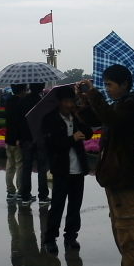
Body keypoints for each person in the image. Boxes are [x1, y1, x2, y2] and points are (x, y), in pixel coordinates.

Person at [78, 65, 134, 266]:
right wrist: (84, 99)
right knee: (120, 233)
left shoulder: (132, 105)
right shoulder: (119, 104)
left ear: (124, 84)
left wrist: (94, 94)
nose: (106, 89)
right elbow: (92, 119)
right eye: (105, 84)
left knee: (129, 238)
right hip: (114, 178)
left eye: (109, 85)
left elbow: (111, 120)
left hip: (125, 179)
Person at [42, 86, 93, 254]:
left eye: (72, 101)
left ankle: (71, 236)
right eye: (67, 101)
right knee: (57, 205)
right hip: (61, 168)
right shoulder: (50, 119)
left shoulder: (76, 117)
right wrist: (72, 138)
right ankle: (50, 238)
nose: (70, 104)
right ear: (60, 102)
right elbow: (52, 144)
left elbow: (89, 133)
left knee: (75, 205)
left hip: (78, 168)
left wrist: (79, 116)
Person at [21, 83, 50, 205]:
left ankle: (25, 196)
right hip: (39, 138)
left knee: (26, 168)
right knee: (42, 168)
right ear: (41, 88)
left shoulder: (23, 101)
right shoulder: (41, 101)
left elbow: (19, 120)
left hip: (26, 139)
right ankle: (43, 196)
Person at [5, 84, 28, 201]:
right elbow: (19, 123)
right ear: (22, 90)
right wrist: (19, 138)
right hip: (17, 139)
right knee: (20, 165)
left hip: (8, 138)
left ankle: (10, 191)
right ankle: (20, 191)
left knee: (10, 165)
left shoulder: (8, 101)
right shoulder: (21, 103)